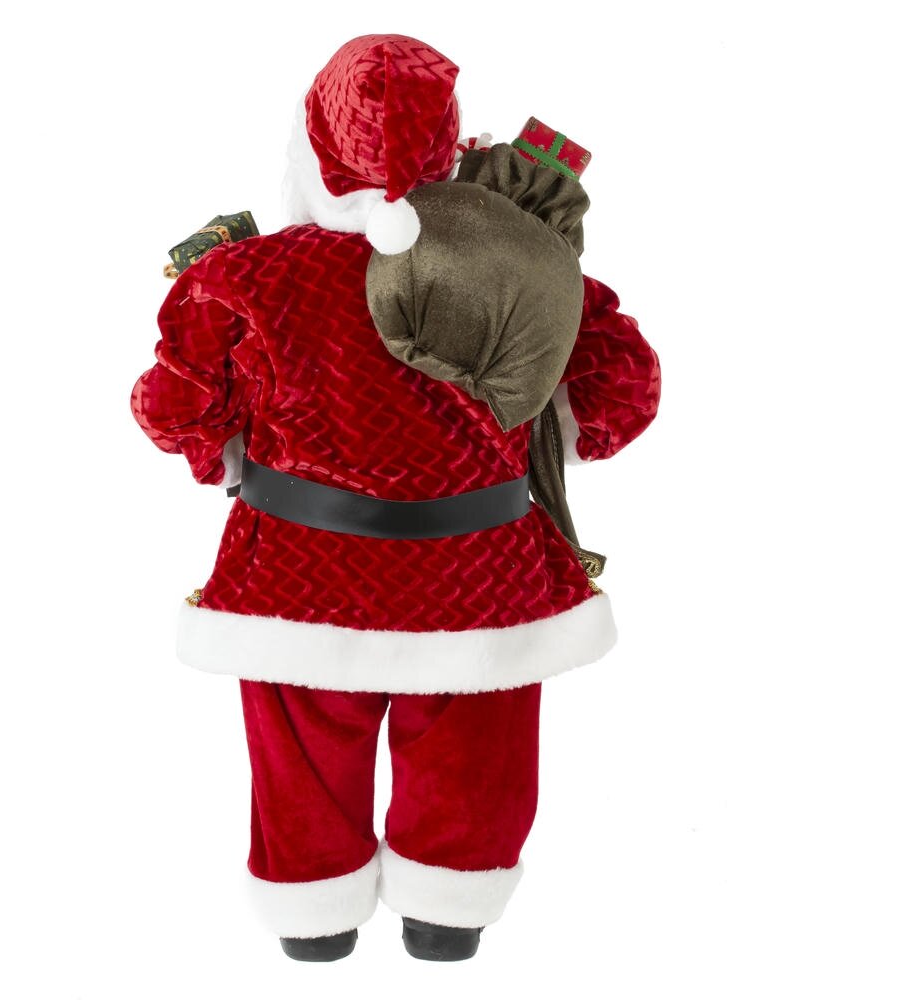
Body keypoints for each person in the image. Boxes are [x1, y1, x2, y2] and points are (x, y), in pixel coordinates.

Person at [131, 33, 661, 962]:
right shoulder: (520, 261)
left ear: (312, 151)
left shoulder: (241, 275)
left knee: (302, 758)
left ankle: (315, 924)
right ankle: (450, 916)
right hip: (479, 579)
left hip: (298, 578)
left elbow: (173, 408)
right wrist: (540, 427)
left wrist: (228, 456)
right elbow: (622, 394)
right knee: (475, 752)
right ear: (449, 150)